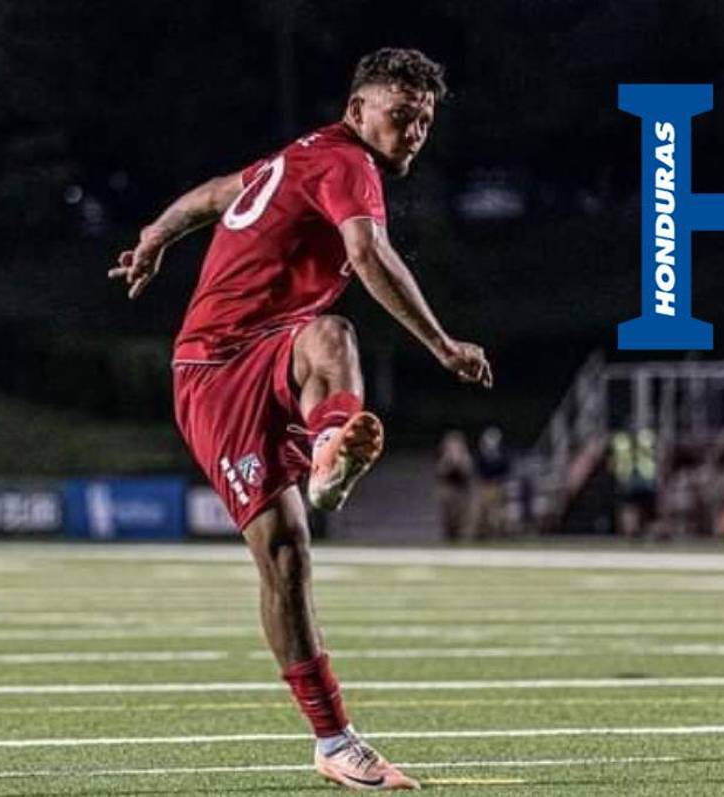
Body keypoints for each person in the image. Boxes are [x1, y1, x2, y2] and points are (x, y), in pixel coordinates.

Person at [109, 48, 492, 791]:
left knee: (292, 536)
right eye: (402, 114)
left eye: (424, 120)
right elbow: (368, 251)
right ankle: (326, 455)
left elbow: (218, 194)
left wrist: (156, 235)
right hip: (217, 372)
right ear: (358, 112)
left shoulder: (300, 156)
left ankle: (336, 740)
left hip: (253, 357)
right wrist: (443, 344)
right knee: (287, 540)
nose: (414, 130)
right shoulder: (347, 162)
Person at [435, 430, 474, 541]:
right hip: (448, 491)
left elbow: (468, 473)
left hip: (461, 492)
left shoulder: (465, 457)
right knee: (448, 520)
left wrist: (460, 462)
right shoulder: (443, 457)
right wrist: (449, 461)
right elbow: (440, 473)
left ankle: (462, 539)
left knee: (462, 520)